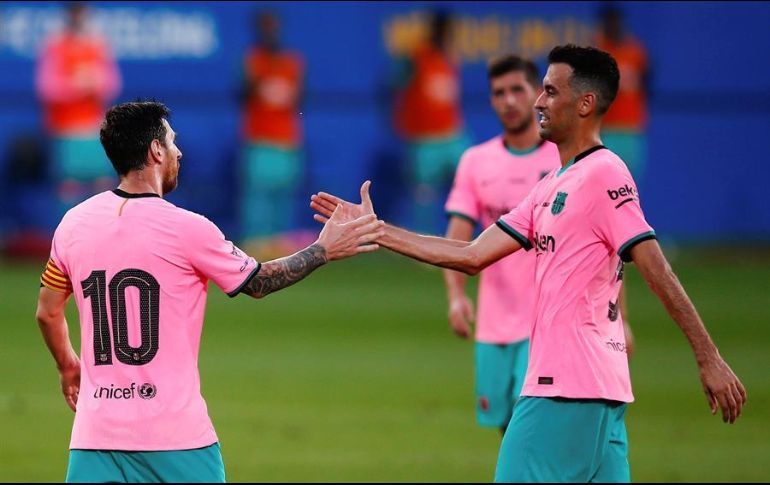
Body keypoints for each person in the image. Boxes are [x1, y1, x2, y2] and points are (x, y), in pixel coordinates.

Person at [310, 45, 746, 483]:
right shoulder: (552, 186)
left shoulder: (605, 174)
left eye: (551, 91)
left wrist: (708, 357)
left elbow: (656, 268)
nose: (538, 101)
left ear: (585, 103)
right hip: (599, 391)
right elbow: (470, 254)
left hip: (565, 389)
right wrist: (376, 229)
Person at [35, 101, 383, 483]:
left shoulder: (73, 224)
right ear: (155, 151)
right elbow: (258, 282)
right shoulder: (188, 229)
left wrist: (68, 365)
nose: (178, 151)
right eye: (172, 141)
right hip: (176, 439)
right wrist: (322, 250)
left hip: (94, 438)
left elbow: (48, 312)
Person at [442, 54, 559, 434]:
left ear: (538, 94)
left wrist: (619, 318)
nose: (508, 101)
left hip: (546, 322)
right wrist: (456, 295)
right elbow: (458, 234)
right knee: (505, 430)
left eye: (517, 90)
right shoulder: (476, 161)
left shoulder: (563, 159)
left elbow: (602, 242)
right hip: (492, 323)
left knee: (533, 429)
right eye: (498, 93)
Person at [35, 2, 121, 216]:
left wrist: (95, 83)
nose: (79, 17)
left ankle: (103, 235)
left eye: (82, 12)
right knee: (68, 187)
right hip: (65, 129)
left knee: (102, 182)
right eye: (74, 13)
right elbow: (46, 87)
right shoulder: (54, 46)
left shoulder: (98, 45)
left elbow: (112, 84)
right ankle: (67, 239)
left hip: (94, 129)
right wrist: (74, 86)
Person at [392, 10, 471, 234]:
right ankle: (424, 240)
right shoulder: (417, 56)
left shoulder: (450, 57)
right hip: (425, 139)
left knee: (473, 180)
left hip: (453, 134)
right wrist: (402, 121)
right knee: (424, 193)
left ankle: (478, 237)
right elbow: (396, 86)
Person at [240, 10, 305, 257]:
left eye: (273, 26)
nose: (270, 32)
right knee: (257, 197)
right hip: (259, 138)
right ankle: (256, 242)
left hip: (287, 140)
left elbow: (301, 99)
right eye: (264, 27)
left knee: (283, 195)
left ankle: (280, 242)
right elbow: (242, 95)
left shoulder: (292, 62)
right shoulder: (252, 61)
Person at [595, 4, 650, 180]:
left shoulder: (635, 52)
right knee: (605, 183)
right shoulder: (597, 52)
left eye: (615, 21)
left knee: (630, 185)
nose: (612, 26)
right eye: (608, 22)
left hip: (631, 130)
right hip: (605, 130)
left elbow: (647, 87)